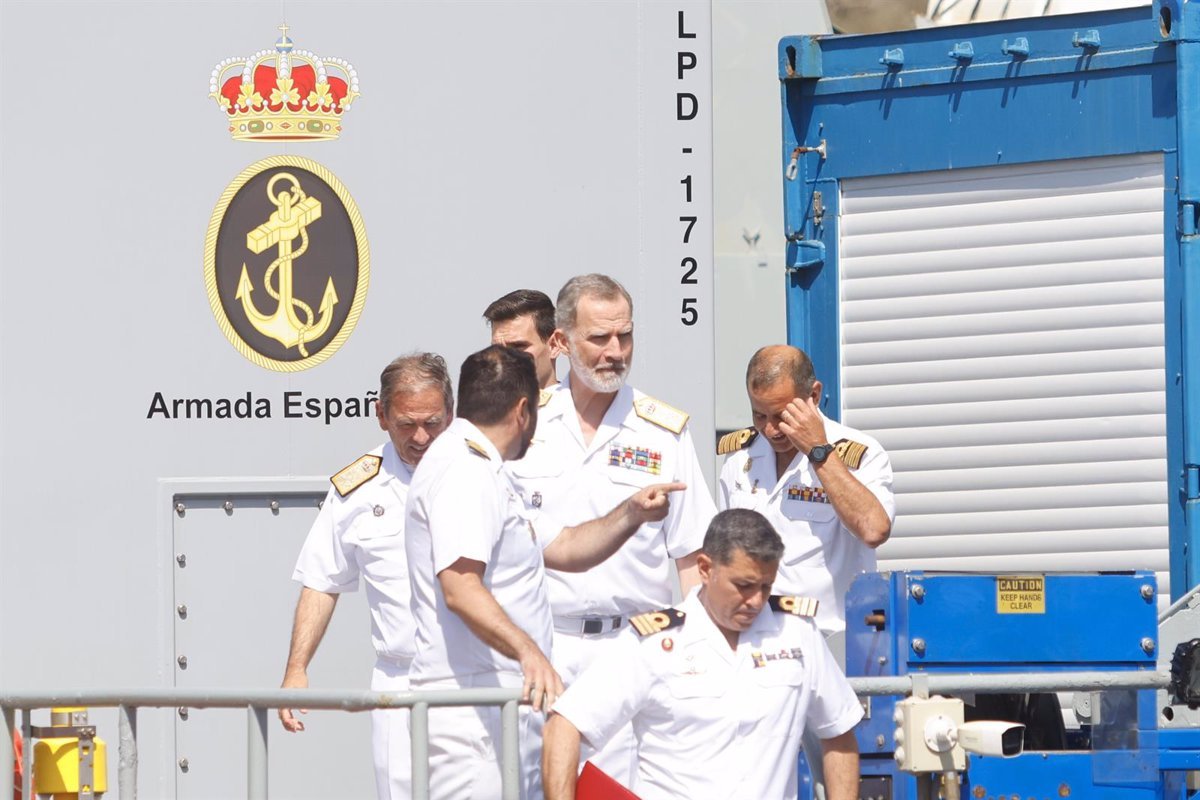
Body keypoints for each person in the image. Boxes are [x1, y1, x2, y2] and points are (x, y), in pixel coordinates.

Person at [404, 345, 685, 800]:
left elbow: (567, 546)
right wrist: (528, 651)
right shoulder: (464, 472)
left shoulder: (485, 470)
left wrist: (631, 513)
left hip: (502, 706)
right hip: (476, 713)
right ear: (522, 410)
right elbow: (459, 586)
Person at [506, 273, 717, 786]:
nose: (615, 352)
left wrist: (698, 656)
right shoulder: (522, 425)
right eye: (599, 338)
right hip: (541, 651)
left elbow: (693, 557)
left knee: (616, 792)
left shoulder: (663, 432)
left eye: (625, 336)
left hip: (630, 649)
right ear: (560, 341)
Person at [543, 508, 863, 800]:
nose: (755, 600)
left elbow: (839, 732)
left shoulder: (797, 634)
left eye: (765, 587)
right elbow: (565, 726)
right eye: (744, 585)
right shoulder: (654, 644)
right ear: (705, 569)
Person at [278, 353, 453, 800]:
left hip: (474, 676)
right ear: (381, 416)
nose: (420, 437)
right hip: (399, 678)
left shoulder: (484, 471)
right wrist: (296, 670)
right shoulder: (356, 490)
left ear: (451, 411)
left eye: (433, 422)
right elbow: (322, 580)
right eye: (406, 424)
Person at [717, 344, 894, 636]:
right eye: (759, 415)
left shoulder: (860, 454)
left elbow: (874, 530)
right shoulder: (739, 460)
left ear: (813, 396)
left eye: (782, 416)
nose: (771, 429)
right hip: (757, 642)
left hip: (830, 642)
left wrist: (819, 452)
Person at [484, 289, 560, 390]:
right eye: (497, 349)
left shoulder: (578, 405)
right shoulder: (478, 404)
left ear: (554, 345)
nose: (505, 359)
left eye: (518, 347)